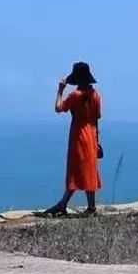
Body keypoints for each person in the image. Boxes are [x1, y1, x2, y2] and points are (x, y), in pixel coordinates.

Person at [39, 61, 103, 217]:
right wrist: (98, 141)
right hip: (92, 136)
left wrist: (60, 90)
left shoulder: (75, 95)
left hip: (79, 136)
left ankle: (64, 204)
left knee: (75, 169)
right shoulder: (96, 95)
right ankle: (88, 207)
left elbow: (58, 108)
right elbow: (96, 119)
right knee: (90, 170)